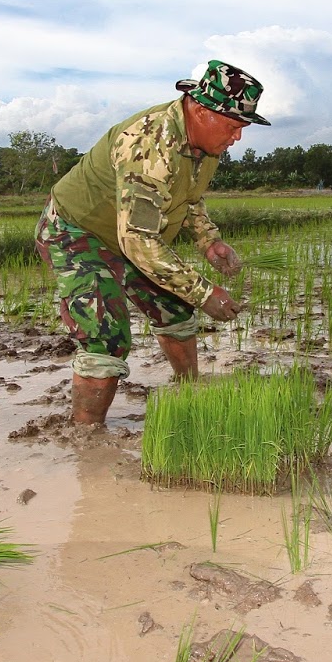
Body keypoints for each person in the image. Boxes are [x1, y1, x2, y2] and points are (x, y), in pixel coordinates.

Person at [35, 60, 269, 424]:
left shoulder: (206, 147)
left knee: (175, 307)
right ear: (202, 111)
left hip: (132, 235)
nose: (237, 137)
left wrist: (209, 240)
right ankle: (86, 439)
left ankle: (189, 390)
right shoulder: (150, 143)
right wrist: (206, 293)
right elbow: (139, 242)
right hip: (79, 232)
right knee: (106, 337)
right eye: (233, 125)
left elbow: (189, 197)